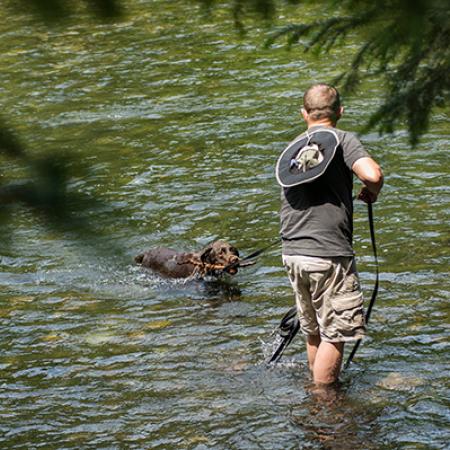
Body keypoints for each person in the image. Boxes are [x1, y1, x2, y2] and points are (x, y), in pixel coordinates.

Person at [278, 83, 383, 385]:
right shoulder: (342, 139)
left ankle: (316, 400)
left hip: (292, 252)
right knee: (335, 334)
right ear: (340, 112)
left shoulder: (294, 147)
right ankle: (325, 406)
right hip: (327, 254)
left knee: (314, 330)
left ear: (304, 114)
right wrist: (372, 191)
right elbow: (372, 174)